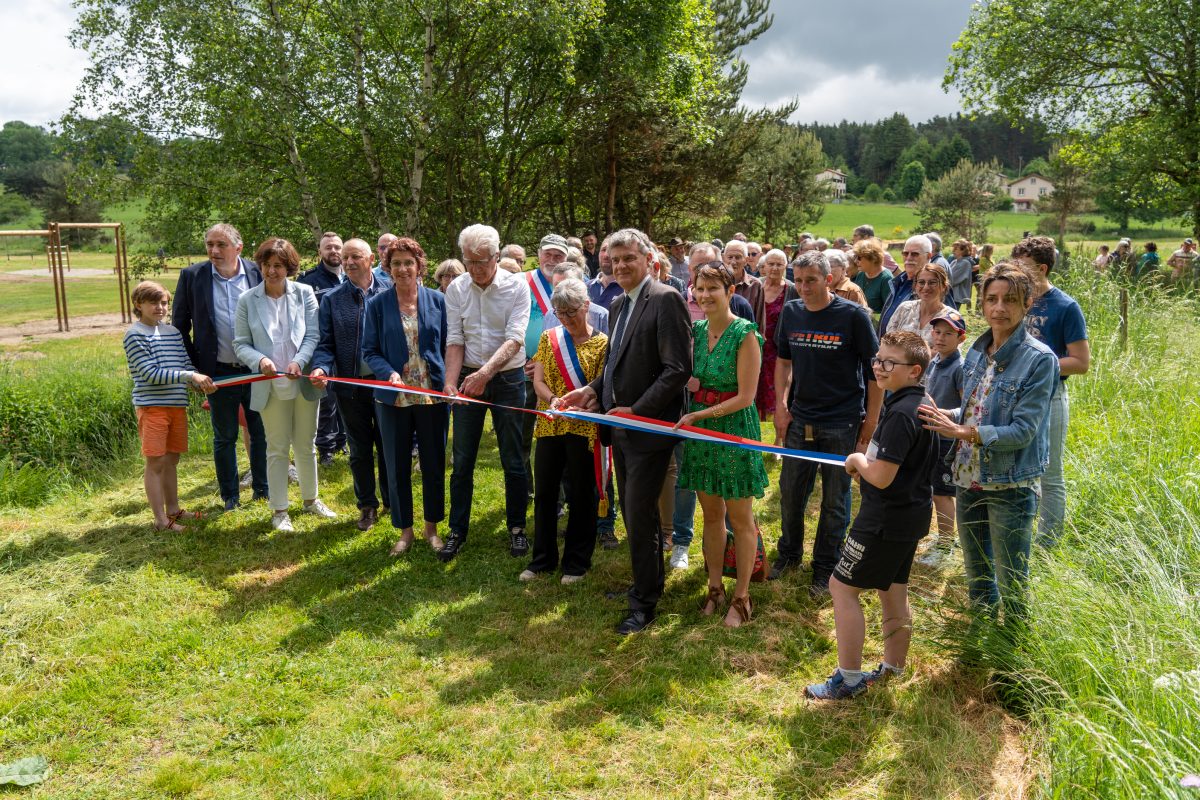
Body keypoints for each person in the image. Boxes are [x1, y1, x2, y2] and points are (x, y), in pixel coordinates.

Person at [556, 228, 691, 635]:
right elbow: (614, 364)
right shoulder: (616, 304)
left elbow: (677, 370)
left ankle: (644, 605)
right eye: (614, 261)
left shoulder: (666, 299)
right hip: (621, 428)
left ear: (649, 259)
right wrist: (591, 389)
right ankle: (645, 585)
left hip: (649, 429)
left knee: (637, 510)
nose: (620, 266)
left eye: (628, 258)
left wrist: (639, 410)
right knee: (638, 517)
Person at [919, 263, 1058, 620]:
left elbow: (1023, 431)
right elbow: (973, 411)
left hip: (1009, 481)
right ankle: (980, 637)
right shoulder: (979, 352)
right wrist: (942, 416)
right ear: (981, 304)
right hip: (967, 476)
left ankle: (1011, 651)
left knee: (1011, 580)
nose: (999, 308)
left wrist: (964, 432)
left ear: (1027, 303)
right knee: (977, 572)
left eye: (1010, 299)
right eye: (992, 299)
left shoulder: (1040, 360)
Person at [805, 331, 938, 700]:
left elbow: (881, 475)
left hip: (883, 520)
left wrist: (859, 461)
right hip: (908, 517)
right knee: (893, 591)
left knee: (841, 588)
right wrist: (868, 465)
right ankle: (894, 667)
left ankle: (848, 679)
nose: (879, 367)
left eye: (889, 363)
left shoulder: (901, 414)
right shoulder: (921, 403)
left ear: (914, 370)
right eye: (878, 360)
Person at [773, 251, 882, 595]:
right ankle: (789, 554)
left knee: (835, 500)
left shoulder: (853, 316)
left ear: (828, 280)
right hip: (800, 418)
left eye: (811, 281)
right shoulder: (791, 312)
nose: (803, 287)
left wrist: (871, 423)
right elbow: (782, 362)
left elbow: (876, 375)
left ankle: (825, 567)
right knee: (791, 493)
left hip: (842, 421)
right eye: (799, 280)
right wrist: (780, 405)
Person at [676, 262, 767, 627]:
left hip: (732, 430)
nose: (704, 295)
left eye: (713, 288)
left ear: (731, 292)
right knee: (711, 514)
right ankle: (715, 587)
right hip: (700, 430)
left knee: (741, 518)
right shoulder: (695, 331)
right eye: (699, 289)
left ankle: (742, 596)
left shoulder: (745, 333)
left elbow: (747, 397)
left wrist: (701, 414)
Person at [233, 238, 336, 532]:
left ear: (289, 267)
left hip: (303, 381)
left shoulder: (304, 293)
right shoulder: (247, 300)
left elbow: (314, 335)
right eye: (266, 265)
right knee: (276, 448)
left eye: (278, 265)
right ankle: (279, 510)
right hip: (270, 385)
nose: (271, 271)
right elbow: (240, 344)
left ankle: (311, 499)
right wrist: (260, 359)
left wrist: (299, 361)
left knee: (306, 444)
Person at [441, 223, 531, 561]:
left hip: (507, 379)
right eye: (469, 261)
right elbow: (454, 339)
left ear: (497, 256)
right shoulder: (457, 289)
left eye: (482, 261)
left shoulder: (516, 286)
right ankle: (457, 530)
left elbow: (515, 337)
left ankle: (517, 529)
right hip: (467, 376)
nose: (476, 269)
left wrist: (485, 373)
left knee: (513, 457)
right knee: (462, 458)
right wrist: (452, 381)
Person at [361, 237, 449, 555]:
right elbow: (369, 350)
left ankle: (432, 529)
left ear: (419, 265)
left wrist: (447, 382)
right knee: (396, 465)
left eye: (408, 263)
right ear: (388, 267)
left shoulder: (437, 301)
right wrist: (388, 373)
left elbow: (448, 346)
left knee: (433, 463)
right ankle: (405, 531)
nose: (402, 269)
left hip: (431, 397)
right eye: (396, 263)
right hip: (393, 399)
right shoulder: (377, 305)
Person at [172, 223, 268, 511]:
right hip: (217, 372)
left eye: (221, 244)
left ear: (238, 248)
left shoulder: (256, 272)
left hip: (256, 369)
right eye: (210, 244)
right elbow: (180, 327)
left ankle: (263, 489)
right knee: (224, 435)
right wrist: (193, 369)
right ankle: (230, 496)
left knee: (260, 431)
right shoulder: (192, 276)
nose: (214, 250)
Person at [521, 278, 607, 584]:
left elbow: (601, 389)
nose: (567, 319)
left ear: (586, 307)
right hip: (550, 424)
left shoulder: (602, 344)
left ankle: (576, 562)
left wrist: (587, 405)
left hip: (584, 428)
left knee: (582, 495)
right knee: (545, 493)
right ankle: (542, 559)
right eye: (561, 314)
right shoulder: (549, 338)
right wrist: (553, 400)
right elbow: (539, 382)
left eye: (571, 312)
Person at [1010, 235, 1090, 548]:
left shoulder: (1065, 307)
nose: (1017, 272)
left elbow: (1080, 362)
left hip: (1049, 397)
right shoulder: (1014, 299)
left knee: (1049, 473)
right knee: (1016, 470)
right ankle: (1016, 537)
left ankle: (1047, 545)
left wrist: (1038, 365)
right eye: (1014, 264)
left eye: (1024, 267)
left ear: (1042, 268)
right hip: (1010, 394)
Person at [308, 238, 391, 531]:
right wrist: (321, 366)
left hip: (386, 384)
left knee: (388, 445)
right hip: (350, 386)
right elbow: (326, 343)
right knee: (359, 449)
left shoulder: (390, 291)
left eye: (355, 256)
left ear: (371, 259)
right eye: (345, 258)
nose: (349, 262)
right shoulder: (332, 299)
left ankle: (392, 502)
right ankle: (367, 505)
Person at [123, 281, 216, 531]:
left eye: (164, 303)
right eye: (153, 302)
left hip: (177, 405)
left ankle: (173, 510)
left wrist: (200, 383)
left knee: (172, 459)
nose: (160, 307)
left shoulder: (173, 333)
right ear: (138, 305)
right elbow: (149, 373)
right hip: (152, 407)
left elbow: (185, 365)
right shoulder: (134, 335)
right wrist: (188, 377)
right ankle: (160, 520)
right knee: (156, 462)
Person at [916, 309, 967, 568]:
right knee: (933, 489)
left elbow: (968, 407)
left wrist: (946, 413)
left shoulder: (961, 367)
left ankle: (947, 546)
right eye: (937, 332)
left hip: (948, 440)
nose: (941, 338)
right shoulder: (934, 361)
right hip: (931, 436)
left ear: (961, 338)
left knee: (943, 493)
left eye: (949, 334)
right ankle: (943, 538)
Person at [298, 231, 347, 465]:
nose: (334, 251)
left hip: (347, 347)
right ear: (320, 252)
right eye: (328, 247)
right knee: (325, 399)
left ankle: (342, 441)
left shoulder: (351, 276)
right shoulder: (307, 281)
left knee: (346, 396)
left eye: (337, 247)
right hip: (322, 347)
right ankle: (325, 447)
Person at [756, 248, 798, 423]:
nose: (774, 268)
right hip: (756, 349)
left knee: (778, 395)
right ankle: (754, 437)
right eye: (770, 264)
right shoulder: (756, 285)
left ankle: (778, 441)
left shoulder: (792, 290)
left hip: (779, 352)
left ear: (786, 266)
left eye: (779, 264)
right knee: (755, 393)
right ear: (764, 266)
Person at [885, 262, 956, 345]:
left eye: (932, 282)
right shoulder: (905, 308)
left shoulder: (950, 317)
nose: (926, 287)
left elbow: (950, 352)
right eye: (921, 282)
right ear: (915, 286)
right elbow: (888, 342)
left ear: (944, 286)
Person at [878, 235, 932, 334]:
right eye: (905, 253)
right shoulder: (898, 282)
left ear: (928, 256)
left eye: (915, 254)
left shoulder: (934, 287)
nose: (909, 258)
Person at [722, 240, 766, 329]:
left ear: (746, 260)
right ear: (723, 258)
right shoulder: (717, 283)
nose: (733, 262)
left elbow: (760, 323)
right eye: (730, 257)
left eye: (738, 257)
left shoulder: (755, 285)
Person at [851, 238, 893, 316]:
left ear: (873, 258)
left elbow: (889, 310)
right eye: (855, 257)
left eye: (859, 258)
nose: (856, 261)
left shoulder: (886, 278)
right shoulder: (861, 274)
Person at [948, 239, 975, 311]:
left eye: (956, 249)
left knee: (951, 317)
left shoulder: (965, 263)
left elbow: (952, 279)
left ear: (963, 250)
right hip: (950, 295)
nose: (953, 251)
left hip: (956, 296)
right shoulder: (954, 261)